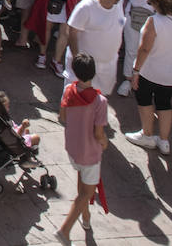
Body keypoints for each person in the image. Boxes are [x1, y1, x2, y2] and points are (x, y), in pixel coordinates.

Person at [125, 0, 172, 156]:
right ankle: (164, 141)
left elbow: (144, 49)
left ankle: (146, 135)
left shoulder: (154, 21)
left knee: (144, 100)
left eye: (150, 1)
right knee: (164, 102)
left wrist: (136, 71)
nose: (148, 3)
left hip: (153, 72)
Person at [58, 53, 109, 239]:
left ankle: (85, 218)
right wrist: (104, 142)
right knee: (87, 192)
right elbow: (98, 134)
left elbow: (62, 117)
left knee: (82, 184)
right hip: (90, 152)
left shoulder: (68, 91)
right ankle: (65, 230)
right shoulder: (100, 102)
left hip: (72, 147)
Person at [63, 0, 125, 98]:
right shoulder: (85, 7)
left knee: (98, 103)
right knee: (75, 101)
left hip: (107, 67)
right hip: (84, 69)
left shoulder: (118, 4)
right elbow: (71, 32)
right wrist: (78, 62)